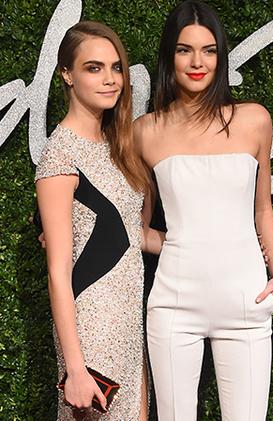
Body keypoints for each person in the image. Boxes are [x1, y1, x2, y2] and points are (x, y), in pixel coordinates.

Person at [134, 1, 273, 420]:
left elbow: (262, 210)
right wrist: (185, 245)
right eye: (185, 50)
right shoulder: (146, 131)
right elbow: (138, 226)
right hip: (173, 304)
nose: (197, 62)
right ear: (170, 56)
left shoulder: (254, 120)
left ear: (221, 55)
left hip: (246, 300)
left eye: (208, 50)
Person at [35, 21, 162, 420]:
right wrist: (74, 367)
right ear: (67, 75)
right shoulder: (60, 155)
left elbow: (134, 235)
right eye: (94, 68)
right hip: (90, 328)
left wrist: (212, 243)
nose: (110, 79)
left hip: (127, 322)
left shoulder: (117, 147)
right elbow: (57, 272)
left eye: (116, 67)